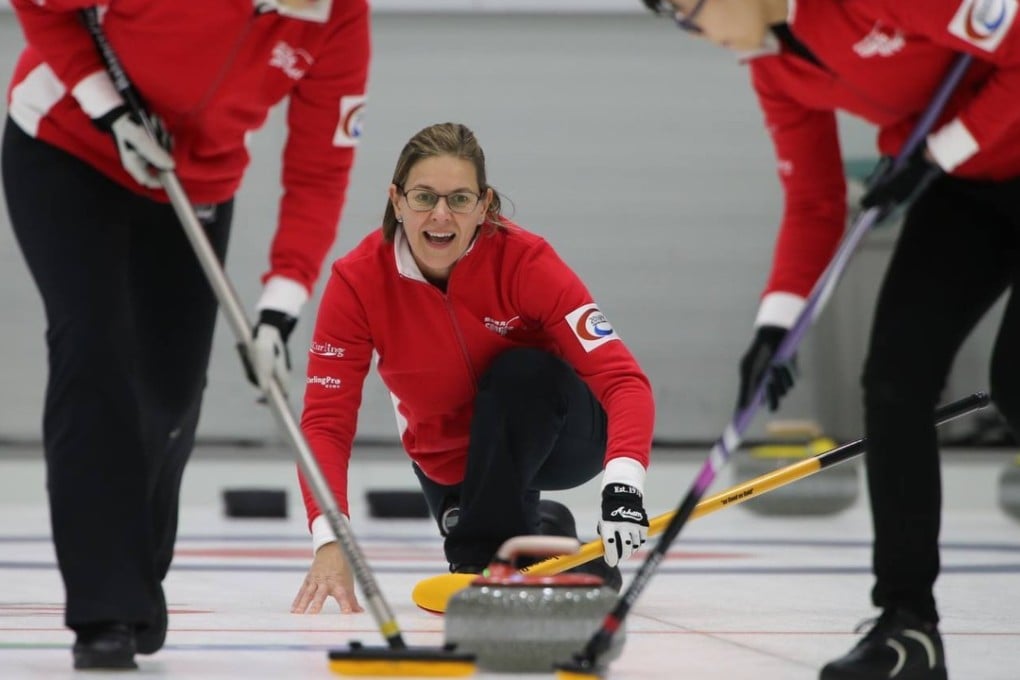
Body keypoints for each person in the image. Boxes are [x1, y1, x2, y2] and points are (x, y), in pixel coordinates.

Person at [639, 1, 1020, 678]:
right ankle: (908, 627)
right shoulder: (772, 65)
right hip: (970, 186)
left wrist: (936, 151)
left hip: (964, 153)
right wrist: (775, 327)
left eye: (686, 8)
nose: (692, 30)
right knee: (895, 381)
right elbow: (814, 200)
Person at [1, 0, 370, 670]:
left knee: (170, 394)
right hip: (67, 147)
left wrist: (279, 310)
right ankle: (105, 608)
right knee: (94, 351)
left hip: (193, 178)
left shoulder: (339, 16)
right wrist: (107, 107)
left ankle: (135, 573)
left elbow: (320, 168)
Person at [289, 122, 655, 616]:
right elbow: (325, 423)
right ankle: (542, 532)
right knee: (515, 538)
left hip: (562, 436)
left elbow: (624, 380)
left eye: (459, 199)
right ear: (397, 201)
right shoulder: (357, 283)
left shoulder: (526, 263)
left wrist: (624, 486)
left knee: (521, 373)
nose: (440, 215)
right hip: (454, 462)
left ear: (483, 206)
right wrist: (329, 539)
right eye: (424, 197)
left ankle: (478, 557)